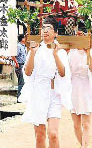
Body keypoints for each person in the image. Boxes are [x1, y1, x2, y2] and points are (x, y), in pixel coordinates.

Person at [19, 16, 72, 148]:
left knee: (53, 133)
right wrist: (32, 53)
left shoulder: (60, 51)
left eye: (49, 28)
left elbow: (63, 72)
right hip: (38, 93)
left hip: (54, 94)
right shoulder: (36, 49)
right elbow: (27, 72)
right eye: (43, 28)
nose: (45, 31)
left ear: (55, 33)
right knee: (40, 134)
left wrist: (55, 55)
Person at [68, 22, 92, 148]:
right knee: (76, 123)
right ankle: (82, 145)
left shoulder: (91, 51)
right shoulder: (71, 51)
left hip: (86, 85)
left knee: (86, 123)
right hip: (74, 86)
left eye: (82, 34)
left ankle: (85, 146)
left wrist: (88, 52)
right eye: (78, 34)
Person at [12, 34, 27, 102]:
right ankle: (19, 98)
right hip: (19, 65)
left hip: (23, 65)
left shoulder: (24, 46)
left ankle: (22, 97)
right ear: (22, 39)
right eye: (24, 37)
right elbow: (13, 55)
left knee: (23, 82)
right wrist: (16, 63)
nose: (25, 38)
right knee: (21, 82)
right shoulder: (18, 46)